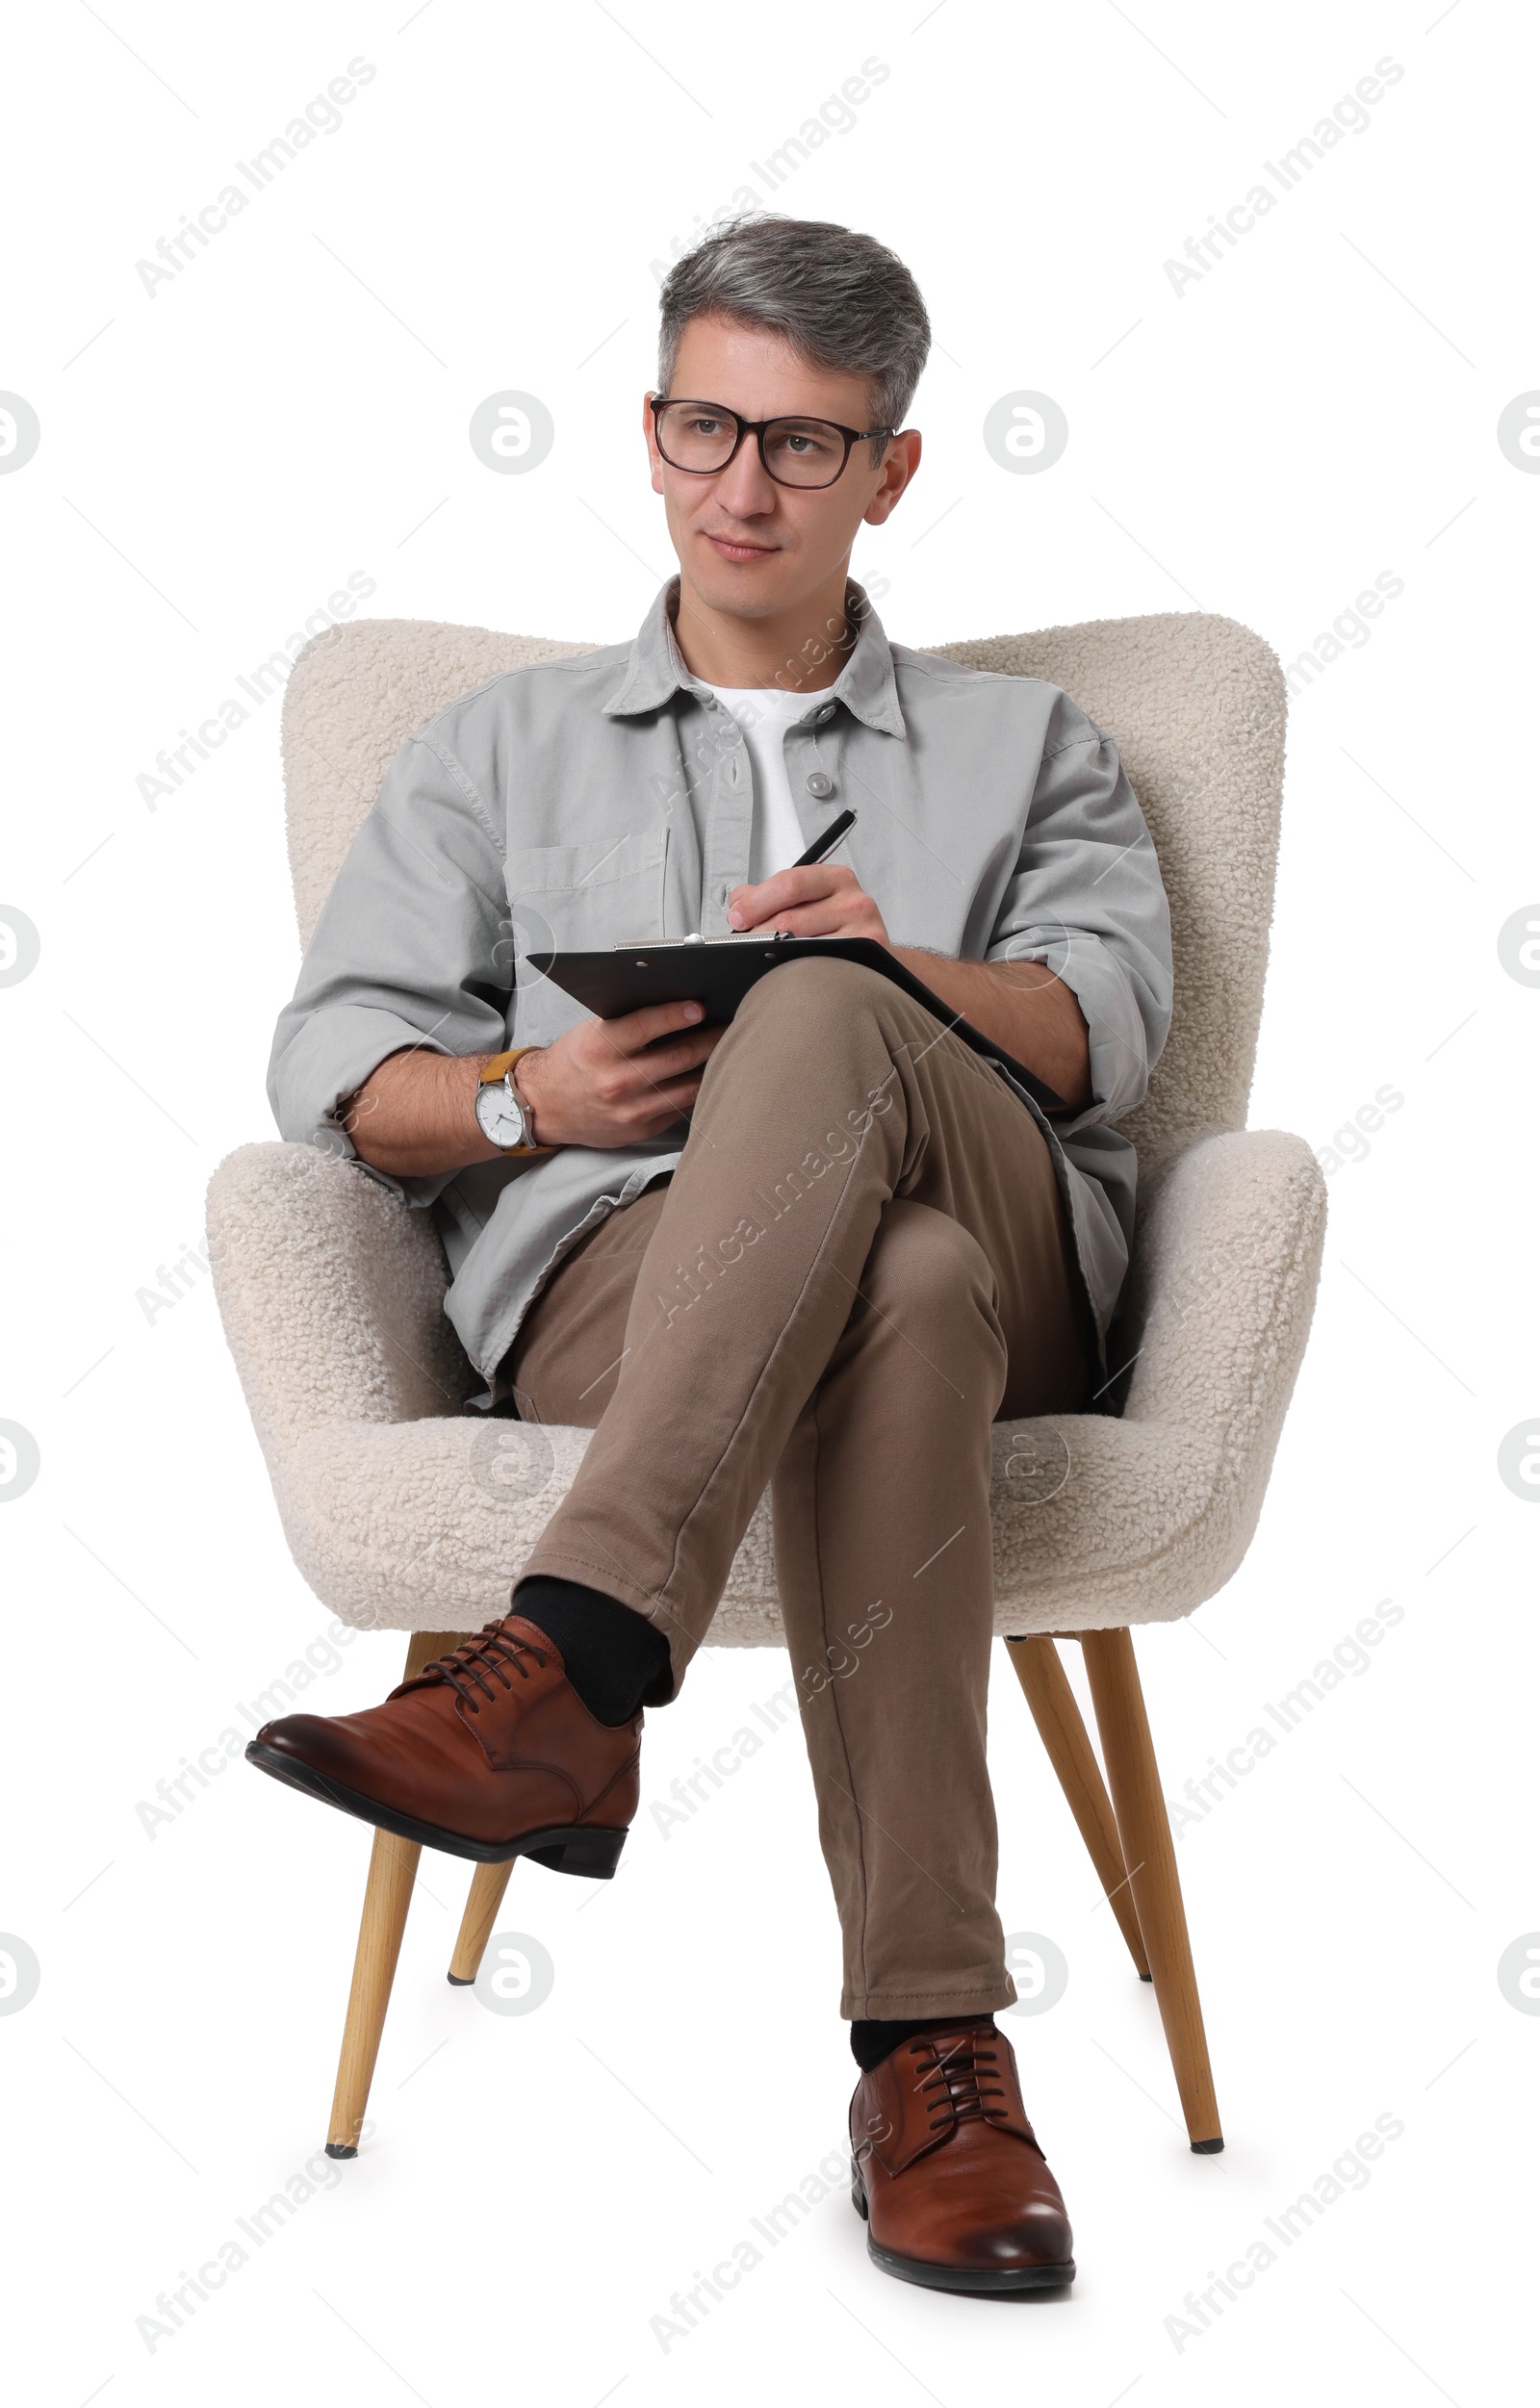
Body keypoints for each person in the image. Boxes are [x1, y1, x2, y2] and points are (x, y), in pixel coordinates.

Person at [253, 215, 1172, 2294]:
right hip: (622, 1286)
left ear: (891, 472)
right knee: (898, 1291)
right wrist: (527, 1103)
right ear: (648, 429)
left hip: (1015, 1232)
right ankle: (931, 2046)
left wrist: (900, 975)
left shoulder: (1033, 749)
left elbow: (1107, 1026)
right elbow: (331, 1064)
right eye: (701, 427)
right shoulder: (495, 745)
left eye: (803, 444)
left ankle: (569, 1667)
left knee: (845, 1024)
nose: (742, 487)